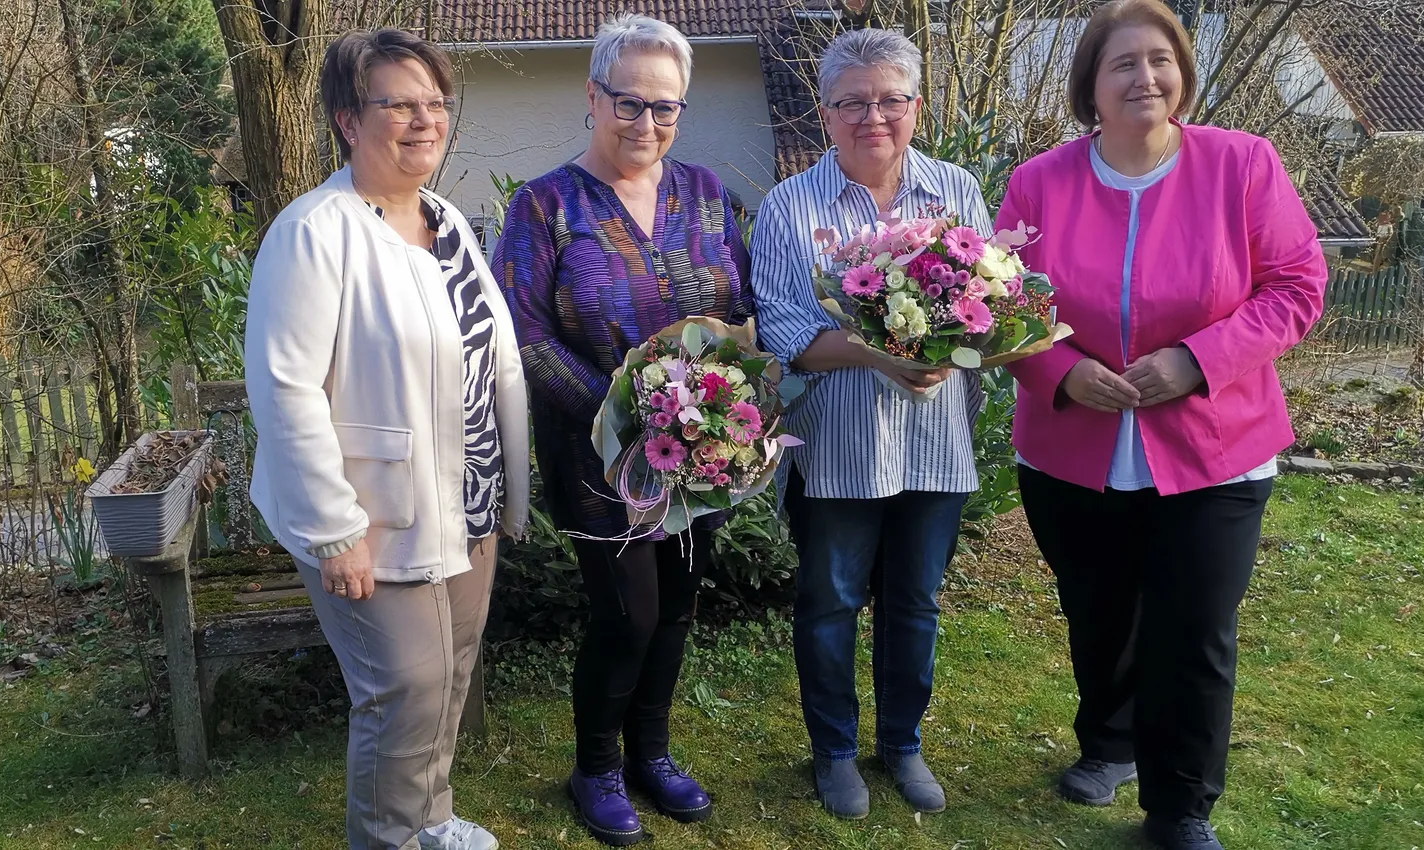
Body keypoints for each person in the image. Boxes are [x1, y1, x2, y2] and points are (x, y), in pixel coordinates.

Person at [997, 2, 1325, 847]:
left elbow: (1295, 286)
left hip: (1217, 450)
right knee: (1099, 614)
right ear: (1091, 88)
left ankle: (1180, 804)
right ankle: (1107, 746)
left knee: (1194, 631)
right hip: (1073, 450)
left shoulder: (1243, 165)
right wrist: (1065, 375)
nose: (1145, 78)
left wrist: (1196, 361)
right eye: (1123, 65)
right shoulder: (1039, 182)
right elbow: (994, 307)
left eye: (1160, 60)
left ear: (1181, 72)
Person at [242, 28, 530, 850]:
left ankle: (427, 819)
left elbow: (489, 359)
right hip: (373, 518)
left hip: (464, 503)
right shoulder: (315, 231)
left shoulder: (445, 222)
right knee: (402, 687)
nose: (423, 120)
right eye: (397, 103)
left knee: (449, 674)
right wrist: (334, 531)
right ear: (346, 118)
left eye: (434, 103)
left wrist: (508, 488)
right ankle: (387, 837)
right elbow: (286, 390)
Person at [491, 13, 752, 847]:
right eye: (628, 103)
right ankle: (595, 766)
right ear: (592, 97)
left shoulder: (707, 195)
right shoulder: (544, 206)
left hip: (700, 452)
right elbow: (522, 334)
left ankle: (652, 754)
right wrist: (621, 413)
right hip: (599, 459)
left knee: (676, 604)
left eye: (665, 107)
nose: (646, 123)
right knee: (627, 613)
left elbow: (740, 312)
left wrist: (720, 400)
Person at [751, 28, 991, 820]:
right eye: (853, 101)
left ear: (916, 106)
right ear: (824, 112)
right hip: (838, 450)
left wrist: (964, 347)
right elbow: (785, 330)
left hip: (935, 447)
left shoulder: (956, 192)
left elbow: (989, 309)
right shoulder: (792, 207)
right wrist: (879, 354)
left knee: (915, 603)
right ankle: (835, 752)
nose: (873, 116)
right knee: (829, 604)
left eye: (890, 99)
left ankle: (903, 743)